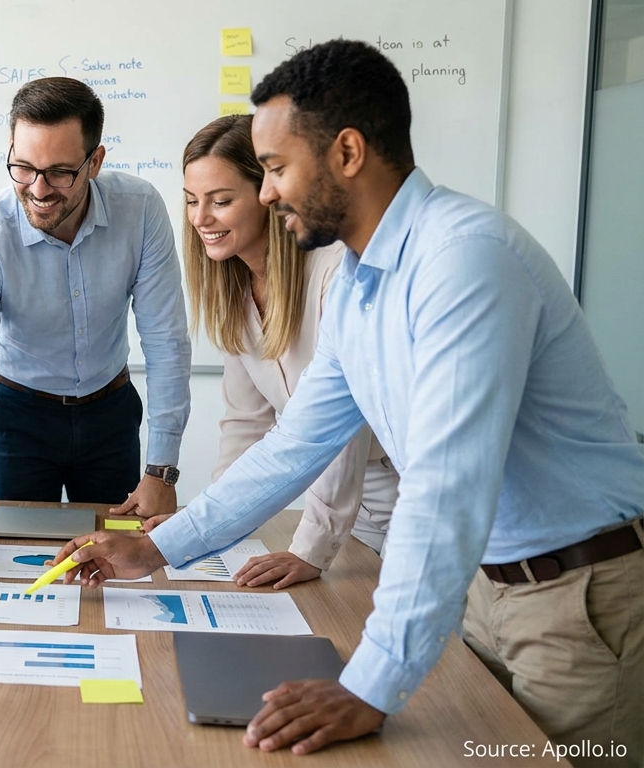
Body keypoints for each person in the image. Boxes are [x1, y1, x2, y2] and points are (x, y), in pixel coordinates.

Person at [52, 40, 644, 764]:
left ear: (349, 153)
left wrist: (371, 683)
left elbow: (445, 486)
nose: (266, 194)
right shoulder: (364, 283)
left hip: (578, 598)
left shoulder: (463, 261)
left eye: (273, 169)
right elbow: (293, 446)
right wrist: (153, 548)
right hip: (489, 593)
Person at [0, 77, 191, 550]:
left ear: (95, 162)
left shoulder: (139, 211)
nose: (38, 189)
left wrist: (162, 470)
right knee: (15, 558)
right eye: (23, 167)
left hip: (109, 413)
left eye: (59, 172)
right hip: (17, 418)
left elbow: (166, 342)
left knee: (115, 562)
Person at [152, 114, 399, 589]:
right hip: (351, 512)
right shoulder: (236, 291)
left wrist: (311, 548)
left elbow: (338, 431)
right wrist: (206, 527)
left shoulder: (333, 276)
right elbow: (248, 424)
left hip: (406, 498)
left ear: (270, 197)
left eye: (220, 201)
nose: (201, 218)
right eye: (191, 201)